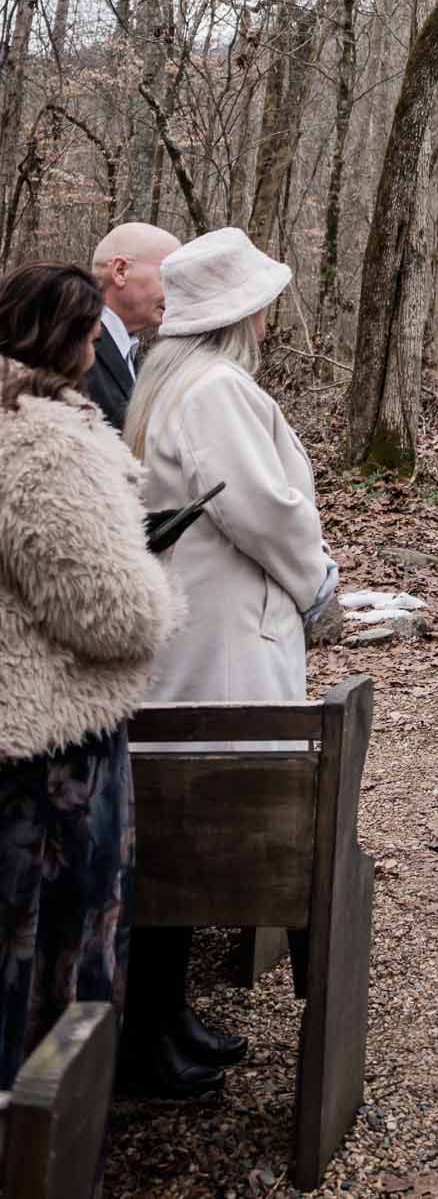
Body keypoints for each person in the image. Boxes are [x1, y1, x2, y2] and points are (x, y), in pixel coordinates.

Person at [123, 226, 337, 1097]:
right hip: (218, 639)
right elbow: (268, 509)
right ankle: (147, 1037)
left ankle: (164, 1018)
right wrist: (317, 584)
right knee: (193, 835)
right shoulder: (214, 390)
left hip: (197, 628)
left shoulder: (173, 382)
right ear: (239, 316)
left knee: (175, 836)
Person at [0, 263, 179, 1093]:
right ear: (65, 341)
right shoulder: (42, 441)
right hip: (51, 748)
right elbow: (108, 610)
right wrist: (159, 592)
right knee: (51, 961)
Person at [87, 222, 180, 432]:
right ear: (120, 271)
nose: (177, 294)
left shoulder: (129, 350)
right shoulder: (71, 347)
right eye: (168, 278)